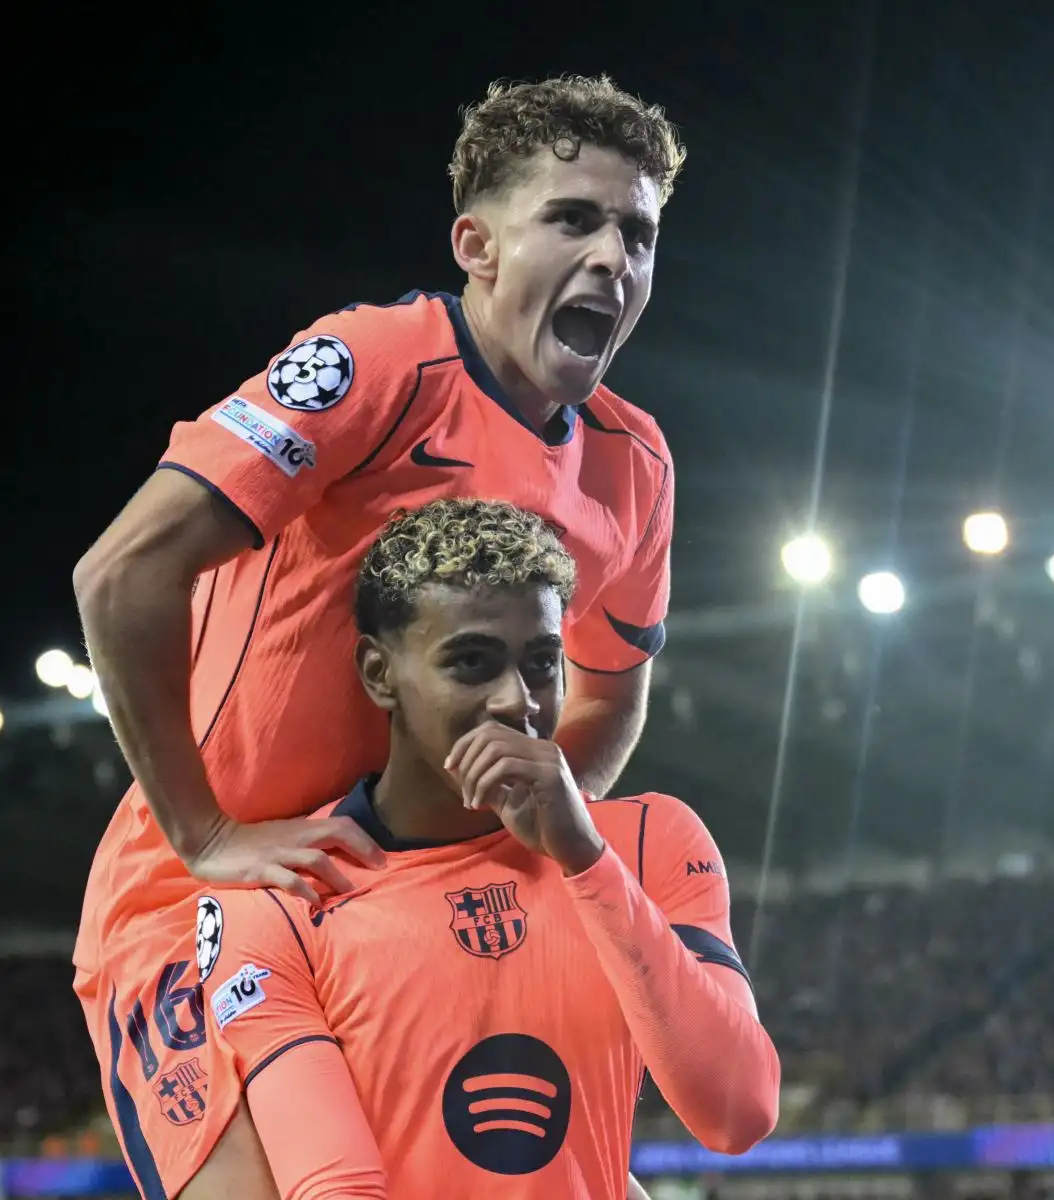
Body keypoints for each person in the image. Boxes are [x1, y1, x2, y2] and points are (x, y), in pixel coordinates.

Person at [72, 75, 684, 1198]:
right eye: (573, 218)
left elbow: (613, 688)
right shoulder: (380, 363)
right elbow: (122, 573)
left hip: (413, 906)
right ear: (478, 245)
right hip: (212, 902)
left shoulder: (633, 464)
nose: (614, 257)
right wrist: (205, 833)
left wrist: (535, 825)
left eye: (637, 233)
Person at [199, 498, 779, 1197]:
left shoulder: (649, 839)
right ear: (379, 673)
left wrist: (585, 859)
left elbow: (738, 1111)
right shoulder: (281, 899)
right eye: (471, 662)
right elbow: (336, 1186)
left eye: (541, 662)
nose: (516, 701)